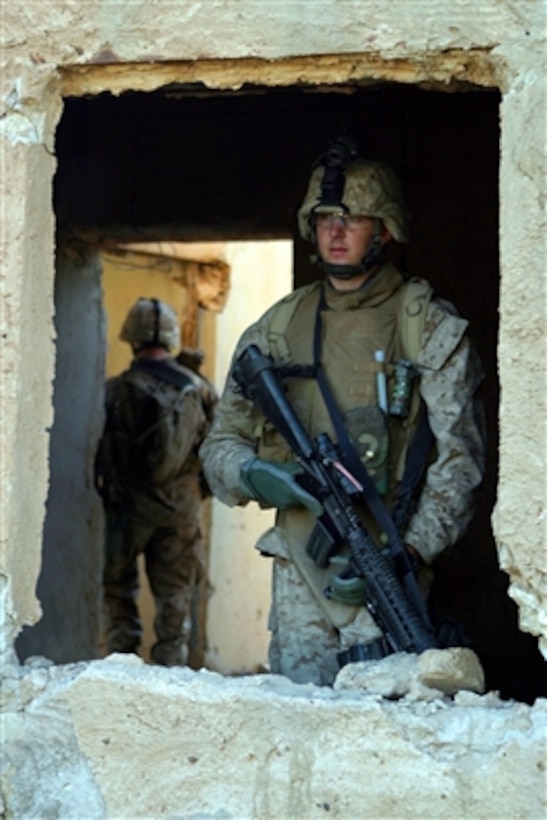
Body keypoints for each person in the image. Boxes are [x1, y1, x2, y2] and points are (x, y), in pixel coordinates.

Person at [199, 136, 486, 686]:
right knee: (297, 724)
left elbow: (461, 462)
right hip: (299, 573)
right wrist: (256, 474)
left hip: (384, 568)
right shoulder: (275, 330)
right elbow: (219, 447)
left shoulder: (427, 326)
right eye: (325, 217)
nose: (335, 230)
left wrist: (407, 554)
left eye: (352, 219)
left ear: (384, 230)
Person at [96, 297, 217, 667]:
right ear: (171, 339)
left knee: (118, 591)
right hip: (181, 510)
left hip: (128, 509)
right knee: (176, 600)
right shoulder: (199, 388)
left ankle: (121, 671)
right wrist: (198, 493)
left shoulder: (114, 390)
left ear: (131, 339)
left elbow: (98, 453)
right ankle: (171, 676)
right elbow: (219, 449)